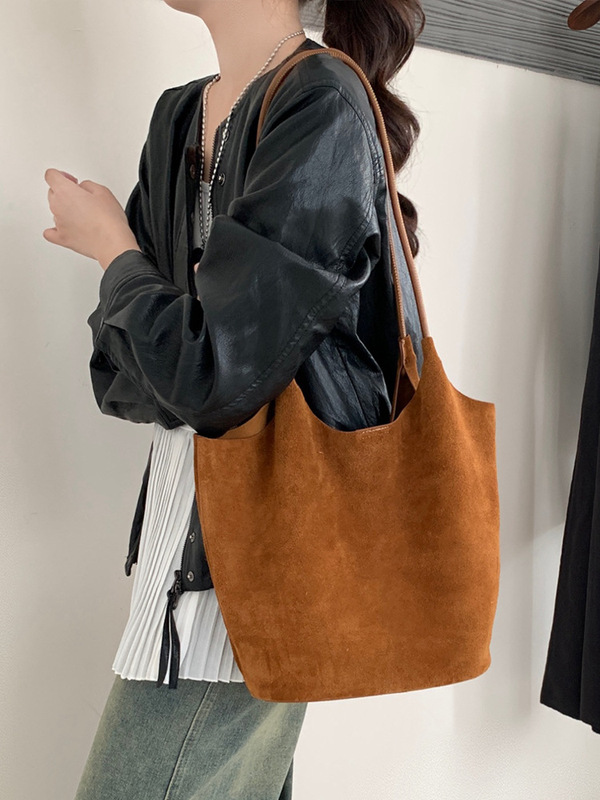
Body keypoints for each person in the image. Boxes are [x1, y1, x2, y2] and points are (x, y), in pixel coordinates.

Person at [43, 0, 425, 797]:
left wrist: (114, 249)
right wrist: (169, 326)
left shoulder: (322, 105)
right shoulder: (180, 115)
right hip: (179, 556)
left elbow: (206, 378)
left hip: (261, 571)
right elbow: (124, 376)